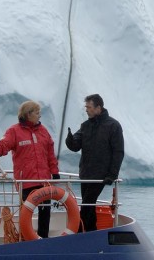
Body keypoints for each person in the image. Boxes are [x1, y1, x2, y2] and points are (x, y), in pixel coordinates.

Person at [0, 100, 59, 238]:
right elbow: (4, 144)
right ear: (28, 114)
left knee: (45, 212)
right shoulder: (14, 131)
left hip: (44, 180)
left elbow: (50, 154)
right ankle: (25, 238)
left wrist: (55, 172)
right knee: (26, 213)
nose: (39, 116)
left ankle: (44, 238)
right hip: (26, 181)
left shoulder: (43, 131)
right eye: (37, 113)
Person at [66, 94, 124, 232]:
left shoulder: (113, 126)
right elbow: (76, 145)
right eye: (86, 107)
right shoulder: (86, 126)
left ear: (98, 107)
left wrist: (112, 174)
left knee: (86, 205)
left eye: (89, 107)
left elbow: (118, 152)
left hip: (101, 175)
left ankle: (79, 233)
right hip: (86, 173)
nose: (86, 110)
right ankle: (91, 232)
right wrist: (70, 140)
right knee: (89, 205)